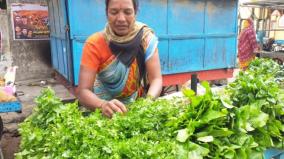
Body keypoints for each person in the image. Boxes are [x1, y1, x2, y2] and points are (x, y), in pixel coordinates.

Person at [77, 0, 162, 118]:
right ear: (107, 13)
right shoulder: (94, 43)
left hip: (137, 108)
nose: (121, 18)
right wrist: (102, 105)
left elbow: (156, 79)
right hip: (102, 109)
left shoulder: (145, 39)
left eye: (127, 12)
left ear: (135, 13)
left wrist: (147, 103)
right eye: (114, 12)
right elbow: (83, 91)